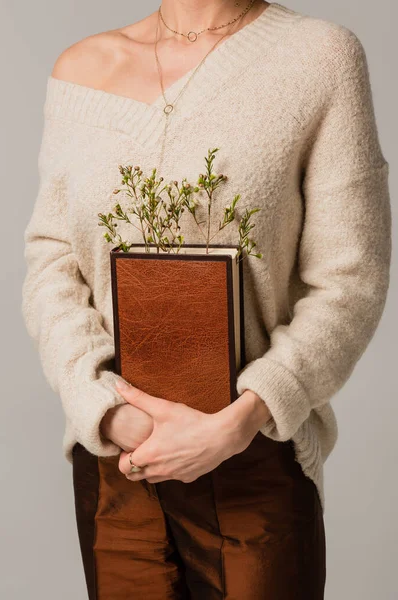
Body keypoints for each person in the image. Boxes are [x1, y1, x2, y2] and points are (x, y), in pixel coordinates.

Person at [21, 1, 391, 598]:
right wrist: (104, 406)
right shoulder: (81, 69)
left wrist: (242, 419)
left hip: (253, 458)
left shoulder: (319, 57)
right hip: (117, 462)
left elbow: (351, 277)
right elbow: (52, 260)